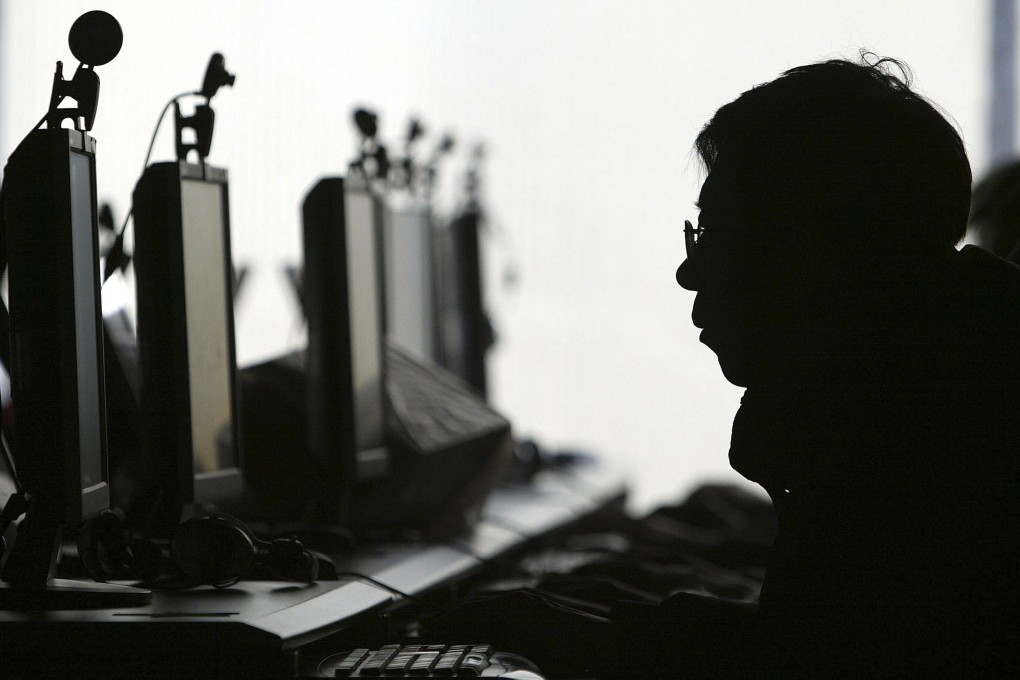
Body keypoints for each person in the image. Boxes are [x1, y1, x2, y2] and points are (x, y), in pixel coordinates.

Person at [675, 55, 1020, 677]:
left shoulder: (914, 435)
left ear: (803, 250)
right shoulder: (949, 372)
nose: (688, 272)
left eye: (713, 232)